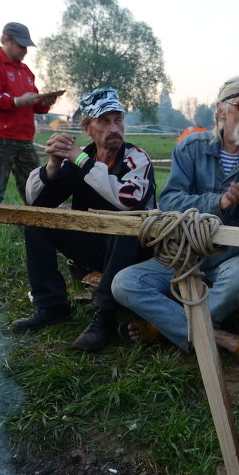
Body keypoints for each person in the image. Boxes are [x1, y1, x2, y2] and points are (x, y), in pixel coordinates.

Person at [111, 76, 239, 364]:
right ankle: (223, 339)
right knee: (124, 283)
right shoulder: (190, 148)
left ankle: (161, 327)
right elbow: (169, 201)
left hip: (237, 256)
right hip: (185, 253)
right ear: (220, 109)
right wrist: (221, 202)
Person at [9, 87, 156, 351]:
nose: (114, 128)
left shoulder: (136, 158)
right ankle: (51, 306)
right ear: (87, 128)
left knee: (125, 226)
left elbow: (128, 200)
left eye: (118, 120)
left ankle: (105, 314)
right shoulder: (78, 161)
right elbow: (39, 203)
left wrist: (81, 160)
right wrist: (53, 165)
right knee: (36, 222)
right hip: (95, 249)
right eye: (104, 121)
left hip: (135, 251)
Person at [0, 22, 59, 243]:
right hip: (0, 137)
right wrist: (18, 101)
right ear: (6, 40)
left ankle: (36, 232)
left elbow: (36, 106)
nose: (24, 50)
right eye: (20, 45)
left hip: (24, 139)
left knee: (35, 187)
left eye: (26, 46)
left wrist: (46, 102)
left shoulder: (26, 71)